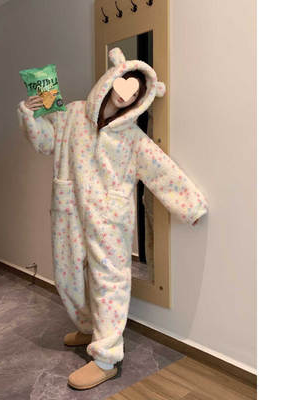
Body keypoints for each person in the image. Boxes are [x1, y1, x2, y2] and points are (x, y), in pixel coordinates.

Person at [17, 47, 208, 390]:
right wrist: (30, 116)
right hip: (69, 210)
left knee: (109, 284)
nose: (126, 96)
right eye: (125, 85)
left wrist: (190, 205)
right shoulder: (72, 114)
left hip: (109, 219)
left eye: (135, 94)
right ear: (111, 80)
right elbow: (46, 143)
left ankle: (106, 357)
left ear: (140, 100)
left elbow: (161, 170)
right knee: (68, 276)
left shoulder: (132, 137)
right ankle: (90, 328)